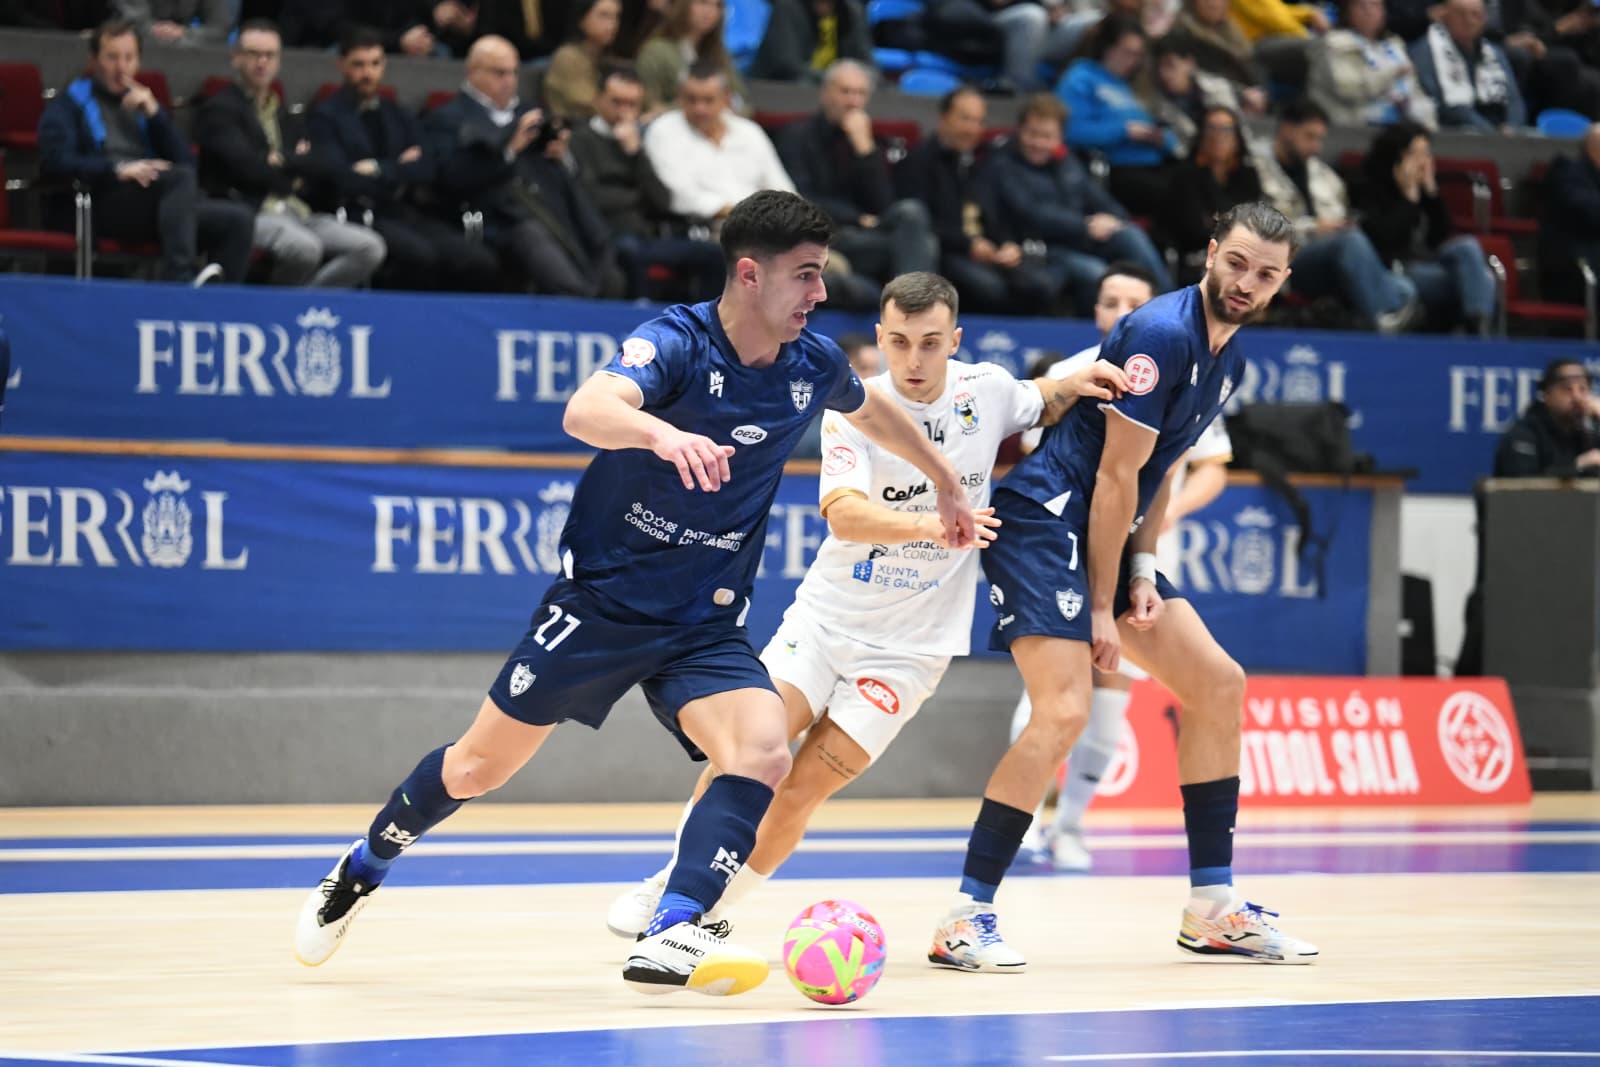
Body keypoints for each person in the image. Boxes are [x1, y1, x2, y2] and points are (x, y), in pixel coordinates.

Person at [292, 190, 978, 998]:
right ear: (750, 275)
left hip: (705, 619)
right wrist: (662, 431)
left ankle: (673, 929)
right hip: (603, 605)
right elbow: (587, 408)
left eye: (821, 276)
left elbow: (875, 411)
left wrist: (943, 482)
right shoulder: (676, 343)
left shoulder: (811, 364)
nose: (821, 295)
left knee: (761, 750)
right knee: (477, 767)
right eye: (806, 276)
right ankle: (363, 866)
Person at [601, 270, 1129, 939]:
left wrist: (1077, 382)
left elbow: (1041, 399)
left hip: (912, 653)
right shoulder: (853, 406)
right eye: (900, 342)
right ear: (880, 339)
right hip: (825, 624)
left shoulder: (987, 391)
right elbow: (845, 516)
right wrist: (934, 525)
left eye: (931, 343)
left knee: (801, 790)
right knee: (747, 754)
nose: (914, 359)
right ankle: (672, 884)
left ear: (954, 341)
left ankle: (705, 919)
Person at [932, 200, 1319, 971]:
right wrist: (1108, 606)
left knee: (1218, 684)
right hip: (1045, 522)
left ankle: (1213, 907)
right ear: (1211, 252)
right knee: (1066, 708)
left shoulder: (1227, 354)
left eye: (1265, 274)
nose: (1245, 282)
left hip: (1106, 531)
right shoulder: (1162, 334)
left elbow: (1160, 470)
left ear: (1282, 283)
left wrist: (1142, 572)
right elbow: (1113, 478)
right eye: (1236, 263)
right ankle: (965, 916)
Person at [1009, 260, 1232, 872]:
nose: (1122, 311)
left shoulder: (1191, 362)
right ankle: (1021, 826)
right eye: (1111, 301)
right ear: (1099, 310)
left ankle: (1072, 826)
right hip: (1065, 546)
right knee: (1055, 694)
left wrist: (1163, 521)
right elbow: (1045, 460)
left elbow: (1210, 461)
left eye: (1134, 299)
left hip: (1142, 552)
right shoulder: (1070, 374)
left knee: (1112, 693)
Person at [37, 18, 255, 285]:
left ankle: (219, 309)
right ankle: (179, 282)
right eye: (112, 57)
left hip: (157, 207)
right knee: (177, 179)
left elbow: (187, 163)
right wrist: (117, 170)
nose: (121, 68)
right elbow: (56, 162)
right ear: (93, 61)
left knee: (238, 220)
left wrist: (155, 116)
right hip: (102, 199)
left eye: (129, 58)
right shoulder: (68, 105)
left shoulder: (144, 106)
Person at [195, 20, 387, 289]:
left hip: (299, 210)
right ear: (236, 57)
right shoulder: (219, 110)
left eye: (270, 55)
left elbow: (322, 161)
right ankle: (281, 310)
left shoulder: (286, 112)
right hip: (252, 211)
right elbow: (245, 167)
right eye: (253, 54)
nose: (262, 62)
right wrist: (291, 172)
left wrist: (280, 159)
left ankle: (303, 306)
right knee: (304, 249)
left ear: (279, 60)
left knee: (370, 247)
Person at [427, 36, 622, 298]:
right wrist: (509, 150)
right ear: (473, 72)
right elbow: (451, 177)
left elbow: (569, 172)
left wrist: (561, 155)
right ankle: (579, 309)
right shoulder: (448, 116)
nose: (509, 81)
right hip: (495, 216)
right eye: (500, 73)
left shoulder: (532, 113)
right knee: (534, 238)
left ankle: (602, 309)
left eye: (514, 72)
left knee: (605, 253)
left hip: (552, 207)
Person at [308, 26, 500, 293]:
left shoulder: (396, 111)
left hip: (404, 209)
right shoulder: (325, 116)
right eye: (359, 65)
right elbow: (341, 178)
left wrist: (377, 168)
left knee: (478, 260)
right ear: (342, 65)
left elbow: (427, 168)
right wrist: (400, 167)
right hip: (358, 213)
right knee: (419, 256)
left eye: (375, 64)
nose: (368, 73)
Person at [1456, 358, 1600, 674]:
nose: (1577, 397)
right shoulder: (1523, 435)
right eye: (1567, 388)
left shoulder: (1589, 435)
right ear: (1545, 394)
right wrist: (1577, 467)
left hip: (1575, 566)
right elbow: (1522, 491)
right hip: (1519, 565)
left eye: (1584, 389)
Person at [983, 93, 1172, 316]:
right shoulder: (1003, 164)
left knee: (1129, 234)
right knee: (1097, 273)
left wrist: (1113, 219)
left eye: (1046, 136)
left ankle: (1169, 308)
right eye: (1032, 134)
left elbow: (1099, 199)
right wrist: (1085, 225)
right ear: (1019, 130)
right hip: (1038, 247)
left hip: (1078, 239)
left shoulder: (1067, 162)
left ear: (1059, 138)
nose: (1038, 143)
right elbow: (1031, 213)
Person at [1251, 97, 1419, 332]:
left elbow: (1340, 216)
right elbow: (1252, 227)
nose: (1317, 147)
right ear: (1287, 130)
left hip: (1328, 258)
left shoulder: (1325, 176)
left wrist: (1340, 226)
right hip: (1281, 259)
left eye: (1320, 138)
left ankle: (1381, 322)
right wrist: (1313, 227)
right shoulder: (1253, 168)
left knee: (1405, 288)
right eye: (1310, 137)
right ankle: (1383, 326)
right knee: (1350, 245)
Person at [775, 60, 939, 293]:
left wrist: (865, 151)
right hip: (830, 234)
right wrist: (856, 217)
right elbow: (800, 197)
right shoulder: (797, 136)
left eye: (860, 94)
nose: (853, 101)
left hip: (869, 231)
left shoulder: (870, 141)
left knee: (911, 211)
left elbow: (884, 204)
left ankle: (908, 304)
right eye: (845, 92)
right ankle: (912, 309)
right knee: (925, 245)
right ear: (825, 93)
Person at [568, 66, 726, 301]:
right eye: (617, 102)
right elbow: (591, 198)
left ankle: (706, 326)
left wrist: (635, 154)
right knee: (630, 251)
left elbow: (662, 200)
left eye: (632, 105)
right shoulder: (580, 139)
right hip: (607, 237)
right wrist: (635, 196)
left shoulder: (639, 142)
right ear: (598, 99)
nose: (625, 112)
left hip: (648, 238)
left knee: (715, 255)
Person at [894, 86, 1055, 316]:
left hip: (990, 251)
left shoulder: (986, 161)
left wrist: (1008, 243)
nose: (972, 129)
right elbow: (919, 225)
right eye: (965, 119)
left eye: (978, 121)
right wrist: (969, 245)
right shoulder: (918, 160)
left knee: (1041, 284)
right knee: (989, 288)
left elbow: (999, 212)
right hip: (949, 251)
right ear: (943, 118)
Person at [1358, 121, 1494, 334]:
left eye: (1426, 154)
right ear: (1398, 155)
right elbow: (1386, 239)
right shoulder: (1370, 186)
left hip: (1428, 260)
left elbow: (1440, 237)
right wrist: (1408, 197)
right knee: (1482, 281)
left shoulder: (1425, 189)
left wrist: (1431, 194)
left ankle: (1477, 330)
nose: (1423, 162)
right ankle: (1478, 337)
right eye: (1416, 154)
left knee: (1467, 246)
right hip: (1396, 268)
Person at [642, 62, 795, 237]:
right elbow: (678, 196)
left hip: (767, 226)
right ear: (680, 97)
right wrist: (749, 215)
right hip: (707, 230)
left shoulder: (749, 131)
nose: (700, 108)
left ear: (726, 99)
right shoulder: (664, 131)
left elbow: (781, 186)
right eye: (691, 99)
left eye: (708, 100)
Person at [1162, 105, 1262, 275]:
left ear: (1237, 137)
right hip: (1195, 258)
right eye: (1211, 129)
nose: (1217, 136)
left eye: (1225, 130)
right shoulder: (1184, 174)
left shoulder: (1247, 175)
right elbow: (1194, 230)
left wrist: (1217, 220)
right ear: (1201, 134)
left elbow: (1255, 223)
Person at [1307, 0, 1437, 130]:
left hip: (1399, 128)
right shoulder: (1332, 44)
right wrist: (1391, 74)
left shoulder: (1394, 45)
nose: (1369, 11)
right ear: (1347, 12)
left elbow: (1413, 90)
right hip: (1351, 129)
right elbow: (1348, 88)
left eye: (1375, 5)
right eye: (1361, 6)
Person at [1409, 0, 1526, 131]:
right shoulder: (1425, 52)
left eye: (1476, 15)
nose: (1469, 21)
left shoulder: (1494, 52)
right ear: (1445, 16)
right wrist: (1491, 133)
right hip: (1452, 133)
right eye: (1461, 15)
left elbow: (1514, 99)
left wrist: (1512, 127)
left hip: (1500, 133)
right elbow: (1447, 106)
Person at [637, 0, 751, 116]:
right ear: (683, 5)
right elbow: (648, 107)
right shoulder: (656, 51)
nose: (710, 11)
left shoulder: (719, 53)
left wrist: (730, 105)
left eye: (717, 5)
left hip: (720, 129)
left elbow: (744, 103)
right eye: (703, 2)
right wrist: (712, 104)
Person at [749, 0, 874, 82]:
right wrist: (835, 80)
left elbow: (865, 60)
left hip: (833, 89)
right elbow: (786, 66)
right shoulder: (787, 7)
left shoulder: (851, 12)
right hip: (781, 89)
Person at [544, 0, 624, 122]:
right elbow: (591, 106)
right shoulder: (568, 57)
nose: (612, 25)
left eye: (616, 17)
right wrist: (627, 112)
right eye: (604, 15)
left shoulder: (606, 58)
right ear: (582, 19)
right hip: (574, 130)